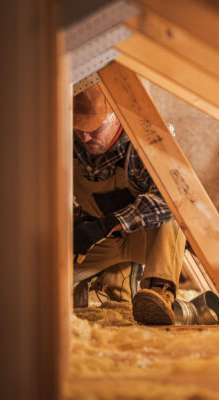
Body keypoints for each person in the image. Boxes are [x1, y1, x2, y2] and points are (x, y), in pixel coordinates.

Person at [72, 84, 186, 325]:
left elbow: (171, 197)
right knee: (37, 281)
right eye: (79, 128)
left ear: (116, 116)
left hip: (144, 239)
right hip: (98, 240)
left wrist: (108, 224)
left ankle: (158, 292)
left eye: (93, 129)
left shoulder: (146, 140)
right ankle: (110, 278)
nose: (85, 137)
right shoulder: (69, 142)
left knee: (173, 214)